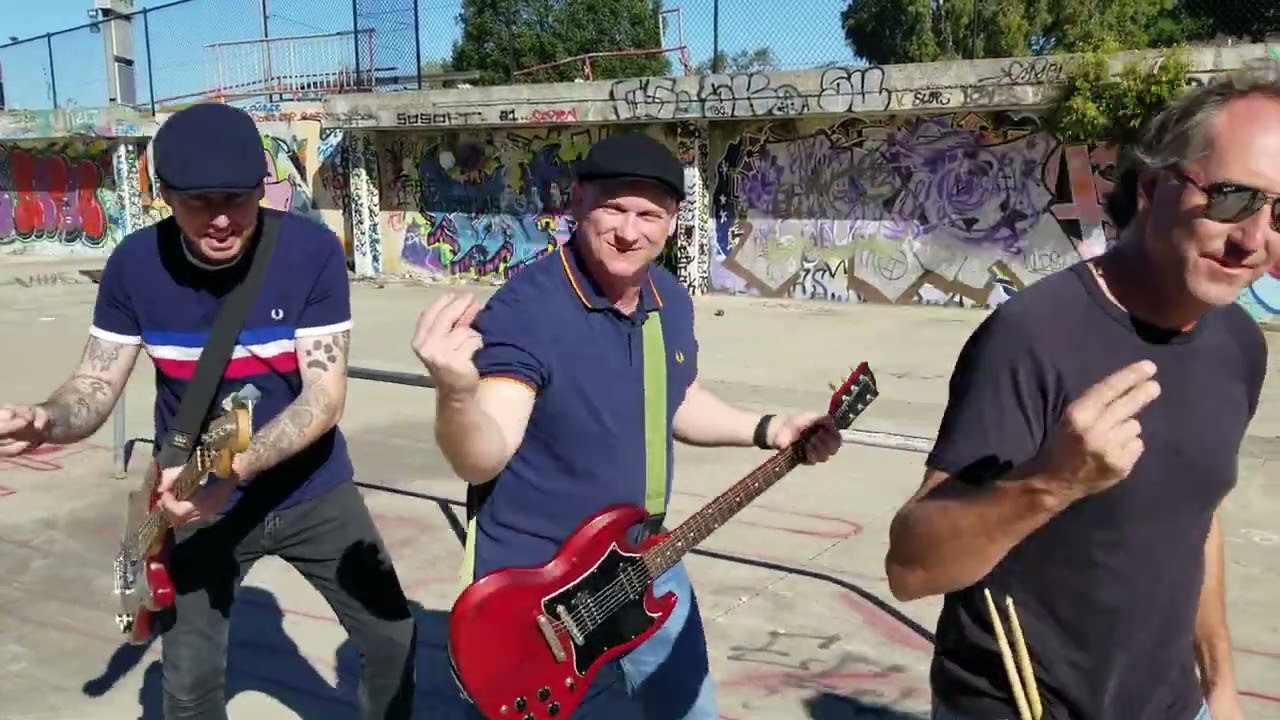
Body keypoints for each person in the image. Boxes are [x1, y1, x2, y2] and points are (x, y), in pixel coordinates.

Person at [884, 64, 1278, 720]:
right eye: (1233, 198)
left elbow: (1196, 519)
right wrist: (1052, 481)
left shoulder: (1240, 345)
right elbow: (911, 567)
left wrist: (1221, 686)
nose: (1253, 241)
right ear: (1153, 189)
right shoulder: (1030, 336)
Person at [0, 102, 416, 720]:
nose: (221, 220)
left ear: (261, 190)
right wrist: (45, 421)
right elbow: (93, 383)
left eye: (237, 198)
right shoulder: (134, 266)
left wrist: (237, 469)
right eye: (198, 202)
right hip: (189, 498)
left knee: (391, 637)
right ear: (161, 193)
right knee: (190, 684)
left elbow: (323, 397)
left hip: (312, 491)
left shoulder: (310, 254)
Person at [412, 131, 843, 719]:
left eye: (649, 214)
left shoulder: (667, 296)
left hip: (646, 561)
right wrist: (458, 395)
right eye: (614, 208)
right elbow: (483, 452)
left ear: (671, 223)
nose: (629, 231)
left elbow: (674, 396)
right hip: (543, 598)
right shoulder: (528, 308)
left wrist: (770, 427)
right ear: (578, 202)